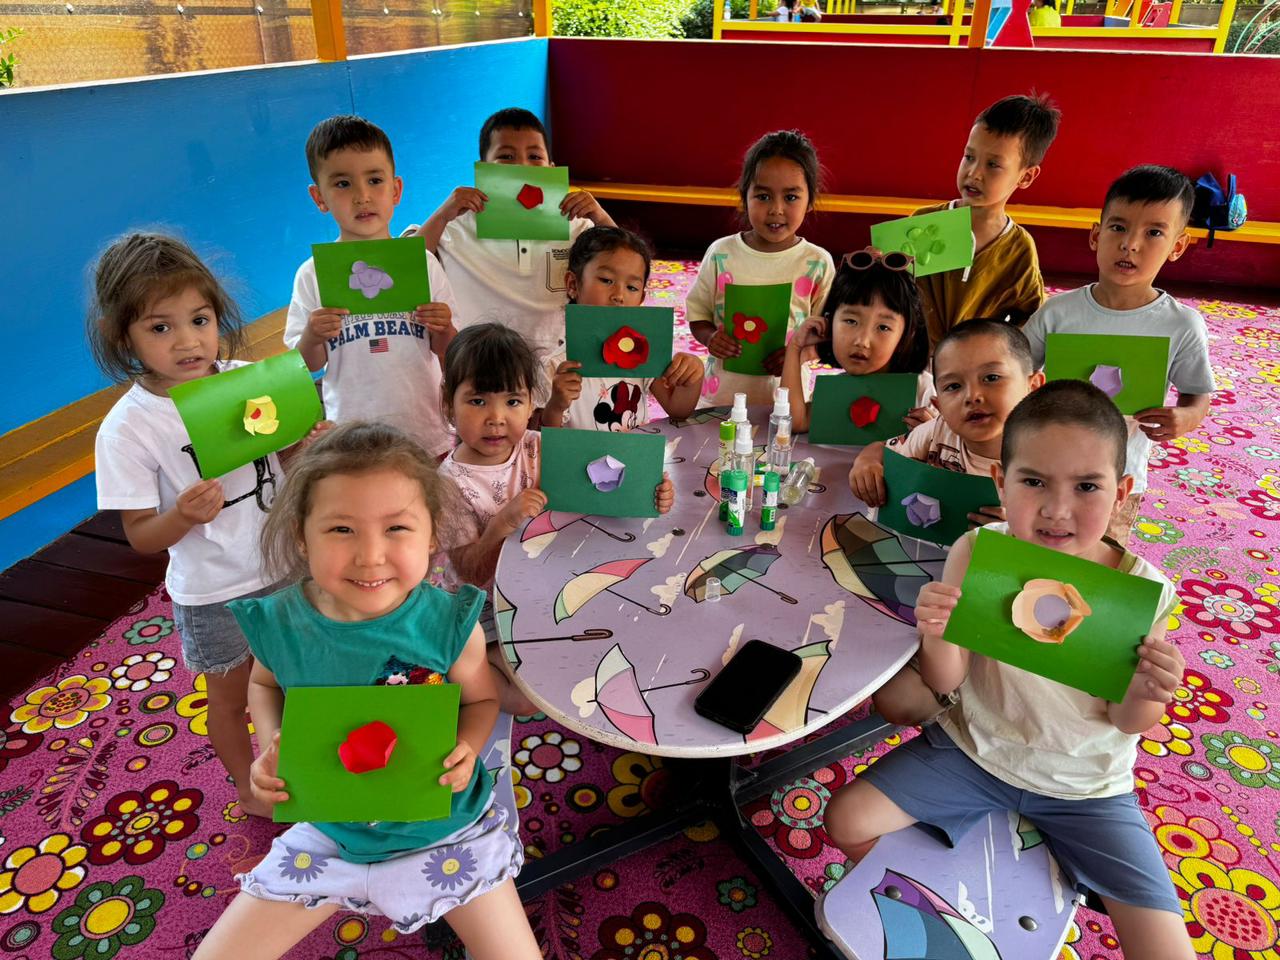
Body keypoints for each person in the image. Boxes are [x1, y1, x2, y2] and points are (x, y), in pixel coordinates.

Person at [825, 380, 1194, 960]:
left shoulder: (1140, 590)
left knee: (1167, 949)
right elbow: (946, 682)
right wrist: (937, 632)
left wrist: (1150, 689)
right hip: (974, 750)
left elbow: (1128, 721)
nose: (1056, 509)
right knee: (846, 819)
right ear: (1001, 480)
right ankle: (953, 913)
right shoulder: (978, 550)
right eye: (1033, 482)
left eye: (1087, 486)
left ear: (1121, 491)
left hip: (1086, 786)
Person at [193, 422, 540, 960]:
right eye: (341, 529)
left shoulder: (449, 624)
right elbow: (263, 683)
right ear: (302, 537)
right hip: (330, 831)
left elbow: (481, 700)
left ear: (432, 535)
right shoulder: (281, 623)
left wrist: (469, 748)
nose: (370, 555)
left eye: (396, 527)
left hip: (446, 829)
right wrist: (273, 745)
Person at [89, 233, 291, 818]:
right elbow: (140, 535)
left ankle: (299, 768)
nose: (187, 341)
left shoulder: (248, 380)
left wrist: (307, 442)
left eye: (199, 320)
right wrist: (180, 515)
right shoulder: (129, 427)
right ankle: (248, 789)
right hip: (213, 591)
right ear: (121, 336)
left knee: (294, 679)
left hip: (286, 566)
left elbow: (285, 459)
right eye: (160, 327)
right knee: (229, 700)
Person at [437, 324, 675, 713]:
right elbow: (468, 570)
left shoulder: (540, 447)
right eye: (478, 401)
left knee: (621, 625)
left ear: (532, 401)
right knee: (526, 699)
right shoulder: (448, 484)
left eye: (513, 401)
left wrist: (650, 489)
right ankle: (471, 673)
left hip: (542, 587)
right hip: (482, 609)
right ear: (448, 403)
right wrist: (502, 523)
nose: (496, 418)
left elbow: (604, 479)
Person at [1023, 165, 1213, 545]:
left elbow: (1197, 394)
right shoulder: (1058, 313)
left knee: (1101, 556)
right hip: (1045, 464)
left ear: (1177, 246)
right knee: (1034, 545)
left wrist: (1187, 417)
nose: (1130, 244)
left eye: (1154, 232)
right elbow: (1018, 368)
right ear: (1096, 235)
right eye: (1118, 227)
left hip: (1118, 476)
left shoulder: (1181, 325)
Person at [286, 115, 460, 460]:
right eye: (342, 184)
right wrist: (313, 336)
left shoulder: (423, 264)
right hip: (351, 435)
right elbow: (306, 364)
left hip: (424, 428)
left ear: (395, 190)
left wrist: (443, 327)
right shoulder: (312, 274)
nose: (362, 196)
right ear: (319, 197)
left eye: (375, 180)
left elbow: (450, 350)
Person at [415, 108, 615, 399]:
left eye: (535, 157)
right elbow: (406, 265)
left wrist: (600, 217)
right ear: (483, 169)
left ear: (551, 168)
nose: (522, 166)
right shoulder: (455, 225)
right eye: (506, 157)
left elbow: (627, 267)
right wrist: (443, 214)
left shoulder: (576, 226)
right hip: (481, 373)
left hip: (557, 377)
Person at [686, 129, 836, 406]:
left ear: (810, 200)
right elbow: (698, 314)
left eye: (791, 197)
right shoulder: (722, 254)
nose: (776, 209)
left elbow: (828, 333)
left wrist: (799, 354)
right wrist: (711, 338)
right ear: (745, 197)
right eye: (763, 196)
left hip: (787, 402)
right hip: (719, 399)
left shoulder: (817, 263)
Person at [914, 93, 1061, 348]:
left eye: (993, 164)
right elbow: (888, 292)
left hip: (974, 364)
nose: (974, 173)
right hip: (913, 361)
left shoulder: (1019, 249)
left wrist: (999, 350)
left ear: (1026, 177)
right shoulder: (924, 224)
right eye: (969, 157)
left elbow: (1031, 318)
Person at [849, 318, 1041, 514]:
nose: (972, 396)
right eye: (953, 386)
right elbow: (881, 449)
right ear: (938, 405)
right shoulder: (937, 432)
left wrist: (1013, 528)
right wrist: (867, 461)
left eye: (991, 378)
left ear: (1033, 388)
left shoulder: (1047, 460)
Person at [543, 226, 704, 430]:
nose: (619, 295)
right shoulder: (556, 367)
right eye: (606, 280)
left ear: (641, 298)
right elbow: (545, 439)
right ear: (573, 284)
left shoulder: (642, 354)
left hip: (634, 451)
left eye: (632, 287)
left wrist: (692, 377)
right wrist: (556, 406)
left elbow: (678, 410)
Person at [781, 247, 932, 435]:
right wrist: (795, 347)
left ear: (907, 335)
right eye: (851, 321)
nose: (862, 341)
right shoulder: (838, 389)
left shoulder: (921, 390)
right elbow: (795, 422)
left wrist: (934, 433)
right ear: (829, 322)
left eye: (883, 327)